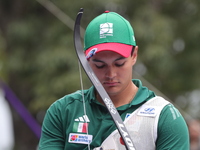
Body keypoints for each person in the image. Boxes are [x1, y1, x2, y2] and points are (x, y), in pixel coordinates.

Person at [39, 10, 189, 150]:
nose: (111, 74)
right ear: (86, 60)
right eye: (100, 65)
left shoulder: (164, 117)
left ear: (134, 55)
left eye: (119, 64)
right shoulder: (63, 111)